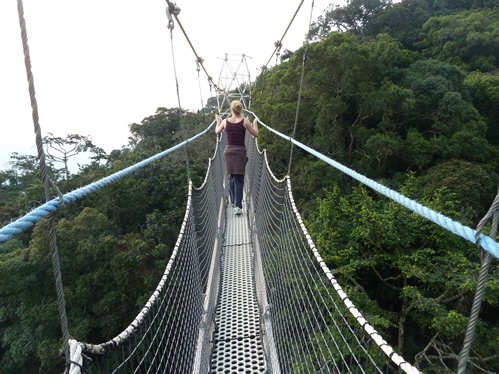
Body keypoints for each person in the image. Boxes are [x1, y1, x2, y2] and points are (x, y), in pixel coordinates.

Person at [215, 100, 259, 216]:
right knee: (239, 179)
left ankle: (234, 203)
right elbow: (256, 134)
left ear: (231, 109)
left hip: (228, 152)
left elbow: (217, 131)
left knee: (231, 177)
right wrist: (255, 122)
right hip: (240, 152)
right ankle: (238, 207)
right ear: (241, 109)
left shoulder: (225, 122)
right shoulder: (245, 121)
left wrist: (218, 121)